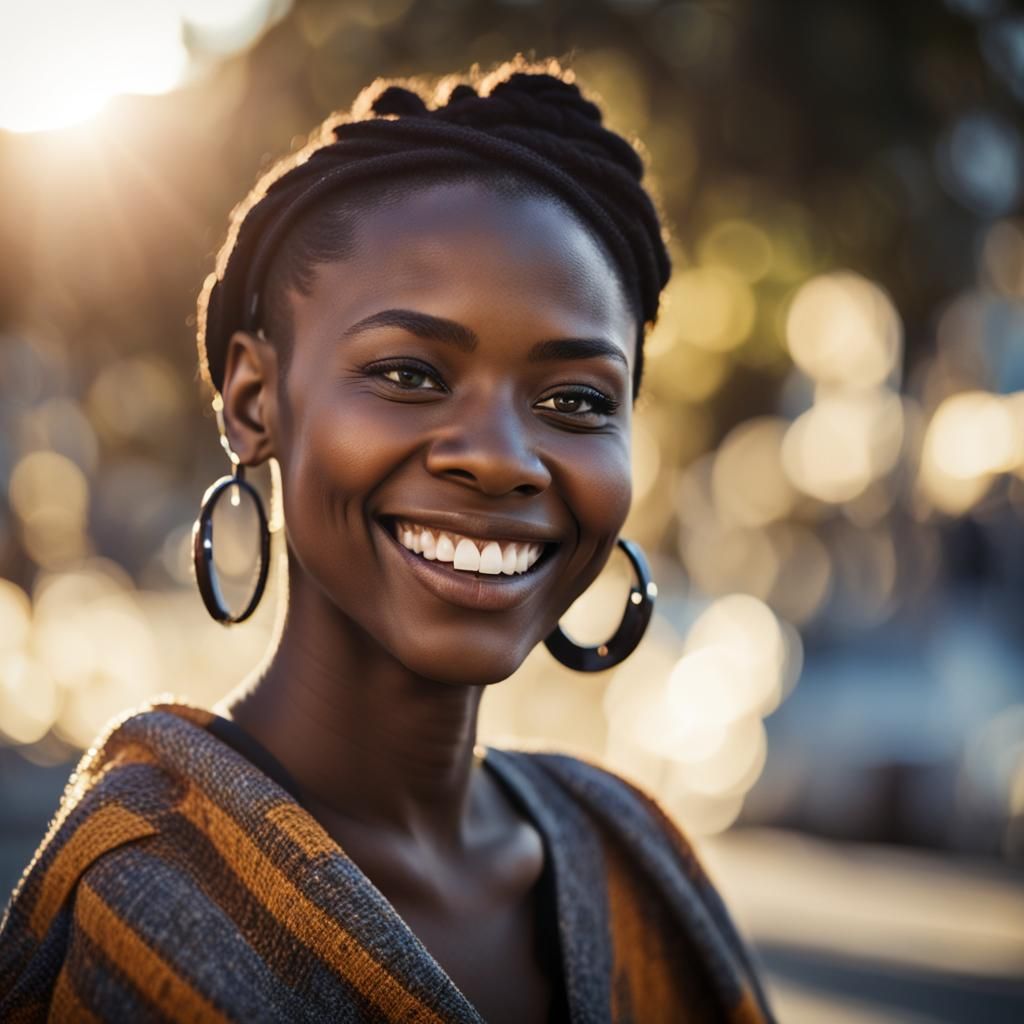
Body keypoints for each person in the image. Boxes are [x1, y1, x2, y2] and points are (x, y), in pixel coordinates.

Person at [0, 60, 775, 1023]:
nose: (501, 461)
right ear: (253, 402)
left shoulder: (639, 869)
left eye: (576, 400)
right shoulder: (147, 901)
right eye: (409, 374)